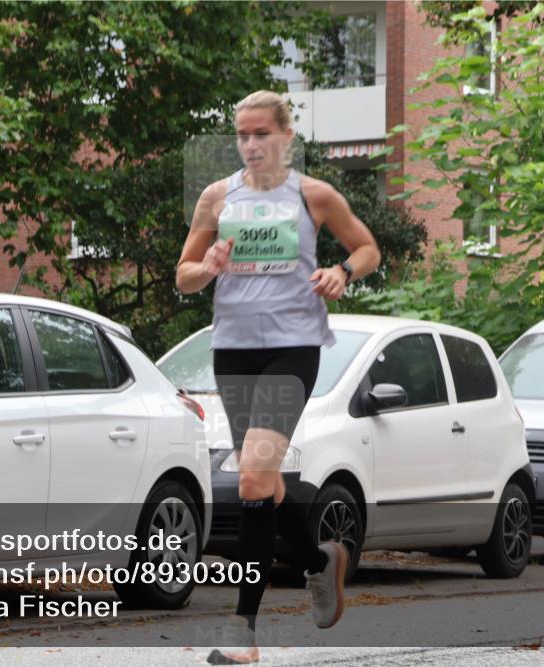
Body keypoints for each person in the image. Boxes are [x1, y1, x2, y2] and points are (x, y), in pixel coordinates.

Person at [176, 90, 382, 664]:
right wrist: (207, 267)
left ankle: (243, 631)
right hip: (234, 350)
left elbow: (368, 248)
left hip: (294, 349)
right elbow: (184, 276)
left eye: (262, 133)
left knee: (249, 481)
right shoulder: (217, 198)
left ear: (286, 136)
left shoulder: (314, 195)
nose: (251, 145)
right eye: (242, 134)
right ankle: (322, 562)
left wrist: (342, 271)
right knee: (262, 482)